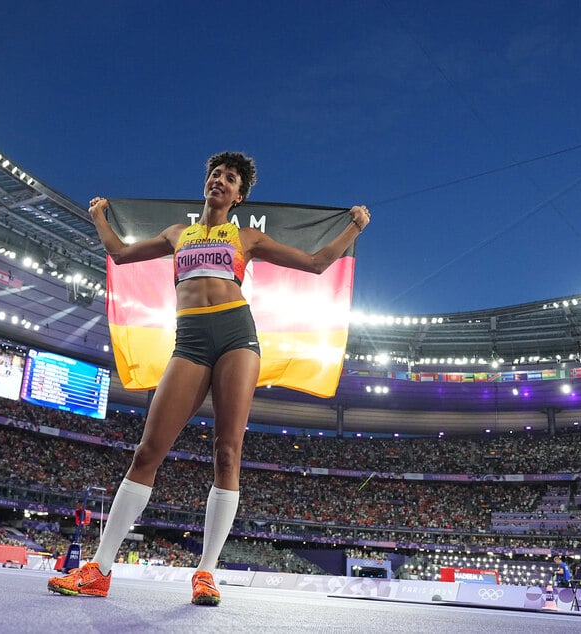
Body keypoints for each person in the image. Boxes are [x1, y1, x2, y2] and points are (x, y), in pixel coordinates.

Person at [48, 151, 370, 605]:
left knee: (227, 451)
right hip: (191, 342)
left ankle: (206, 572)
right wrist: (100, 216)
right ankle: (99, 569)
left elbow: (317, 263)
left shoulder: (247, 237)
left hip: (237, 336)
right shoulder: (177, 234)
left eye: (231, 178)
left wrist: (354, 227)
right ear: (207, 184)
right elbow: (119, 255)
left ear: (239, 196)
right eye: (216, 174)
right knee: (147, 450)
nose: (220, 180)